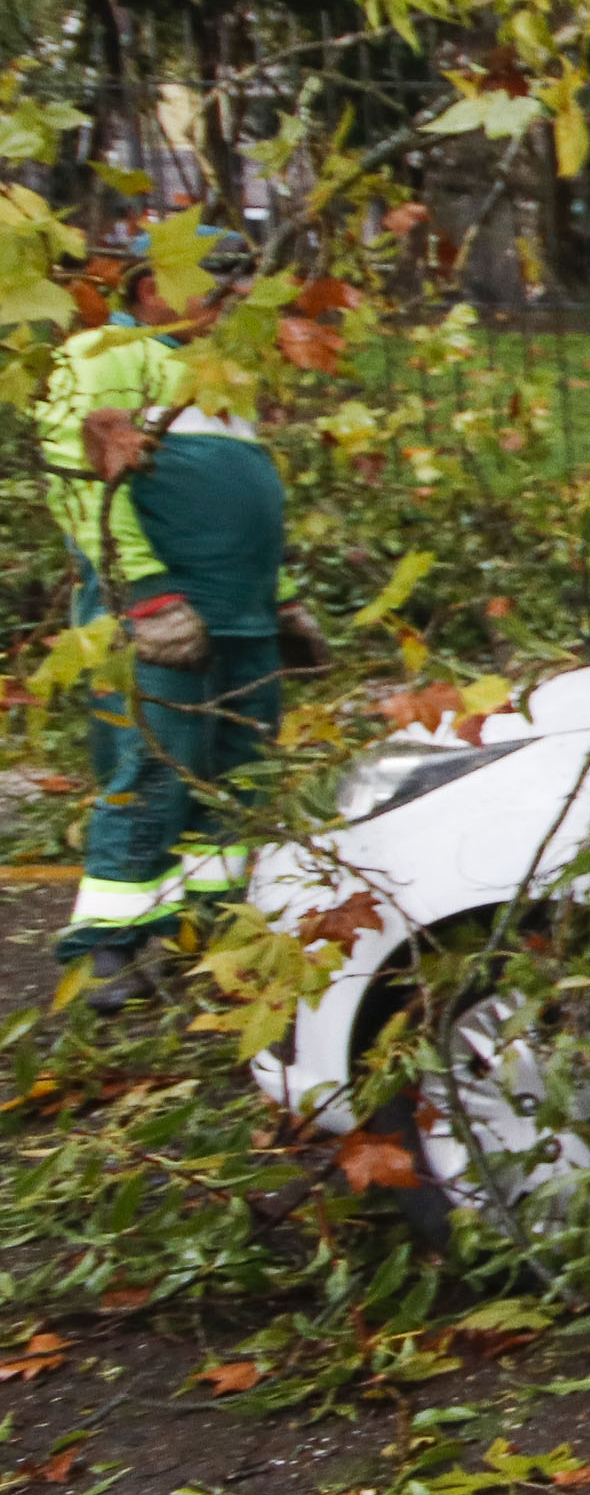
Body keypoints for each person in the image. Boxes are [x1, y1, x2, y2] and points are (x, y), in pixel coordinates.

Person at [36, 224, 326, 1005]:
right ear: (150, 285)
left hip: (242, 615)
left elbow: (249, 499)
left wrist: (284, 595)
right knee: (154, 770)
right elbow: (80, 480)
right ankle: (109, 947)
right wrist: (147, 594)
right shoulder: (104, 356)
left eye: (238, 282)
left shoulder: (216, 372)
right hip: (161, 615)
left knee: (237, 777)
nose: (233, 295)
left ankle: (206, 933)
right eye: (216, 279)